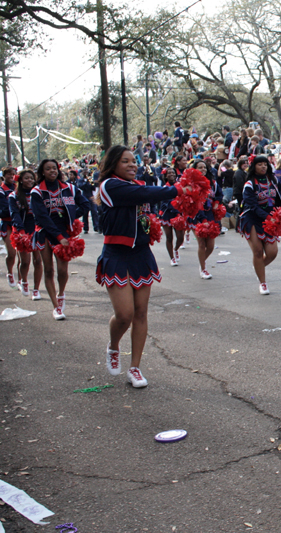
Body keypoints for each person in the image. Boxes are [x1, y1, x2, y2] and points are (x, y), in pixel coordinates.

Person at [95, 145, 189, 388]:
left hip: (141, 255)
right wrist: (178, 188)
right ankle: (113, 346)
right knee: (124, 315)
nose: (132, 165)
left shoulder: (137, 185)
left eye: (133, 161)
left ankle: (135, 368)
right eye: (125, 161)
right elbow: (145, 193)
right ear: (113, 164)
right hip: (117, 255)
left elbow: (146, 207)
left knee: (141, 312)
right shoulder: (109, 186)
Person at [31, 159, 90, 320]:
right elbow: (42, 217)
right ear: (42, 172)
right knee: (49, 269)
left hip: (63, 232)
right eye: (48, 169)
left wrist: (71, 217)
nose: (52, 171)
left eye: (54, 168)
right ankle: (56, 307)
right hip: (45, 231)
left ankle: (61, 294)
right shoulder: (37, 192)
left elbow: (85, 204)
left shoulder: (69, 188)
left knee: (62, 271)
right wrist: (58, 236)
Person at [238, 155, 281, 295]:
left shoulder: (273, 181)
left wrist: (280, 214)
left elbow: (278, 200)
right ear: (254, 167)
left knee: (272, 253)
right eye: (259, 164)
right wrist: (268, 217)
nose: (263, 166)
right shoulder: (249, 184)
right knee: (258, 252)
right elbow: (252, 206)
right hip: (252, 218)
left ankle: (258, 267)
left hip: (270, 219)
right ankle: (263, 283)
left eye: (265, 164)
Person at [8, 169, 43, 300]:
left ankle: (36, 289)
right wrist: (21, 231)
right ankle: (24, 281)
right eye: (27, 178)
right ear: (21, 180)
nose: (30, 180)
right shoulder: (14, 196)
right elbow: (14, 214)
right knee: (25, 262)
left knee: (38, 260)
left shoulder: (38, 193)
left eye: (32, 178)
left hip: (37, 229)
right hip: (22, 230)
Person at [191, 160, 223, 279]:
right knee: (201, 243)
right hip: (197, 215)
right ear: (195, 169)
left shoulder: (213, 183)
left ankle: (201, 263)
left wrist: (217, 202)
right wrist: (202, 219)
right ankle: (203, 269)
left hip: (210, 215)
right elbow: (193, 202)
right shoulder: (192, 184)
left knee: (210, 246)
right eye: (200, 167)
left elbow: (219, 194)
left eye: (204, 167)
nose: (203, 169)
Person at [0, 166, 17, 287]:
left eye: (13, 174)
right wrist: (17, 211)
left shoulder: (19, 188)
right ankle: (10, 272)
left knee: (23, 256)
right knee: (12, 253)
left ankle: (22, 279)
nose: (11, 176)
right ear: (4, 176)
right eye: (9, 174)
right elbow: (3, 209)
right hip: (7, 224)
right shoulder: (0, 190)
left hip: (20, 224)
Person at [158, 167, 184, 266]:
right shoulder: (164, 187)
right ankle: (172, 258)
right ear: (165, 176)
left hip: (178, 214)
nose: (171, 174)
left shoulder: (180, 186)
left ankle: (176, 249)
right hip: (167, 214)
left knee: (180, 237)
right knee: (169, 237)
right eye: (169, 173)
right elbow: (165, 202)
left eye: (173, 172)